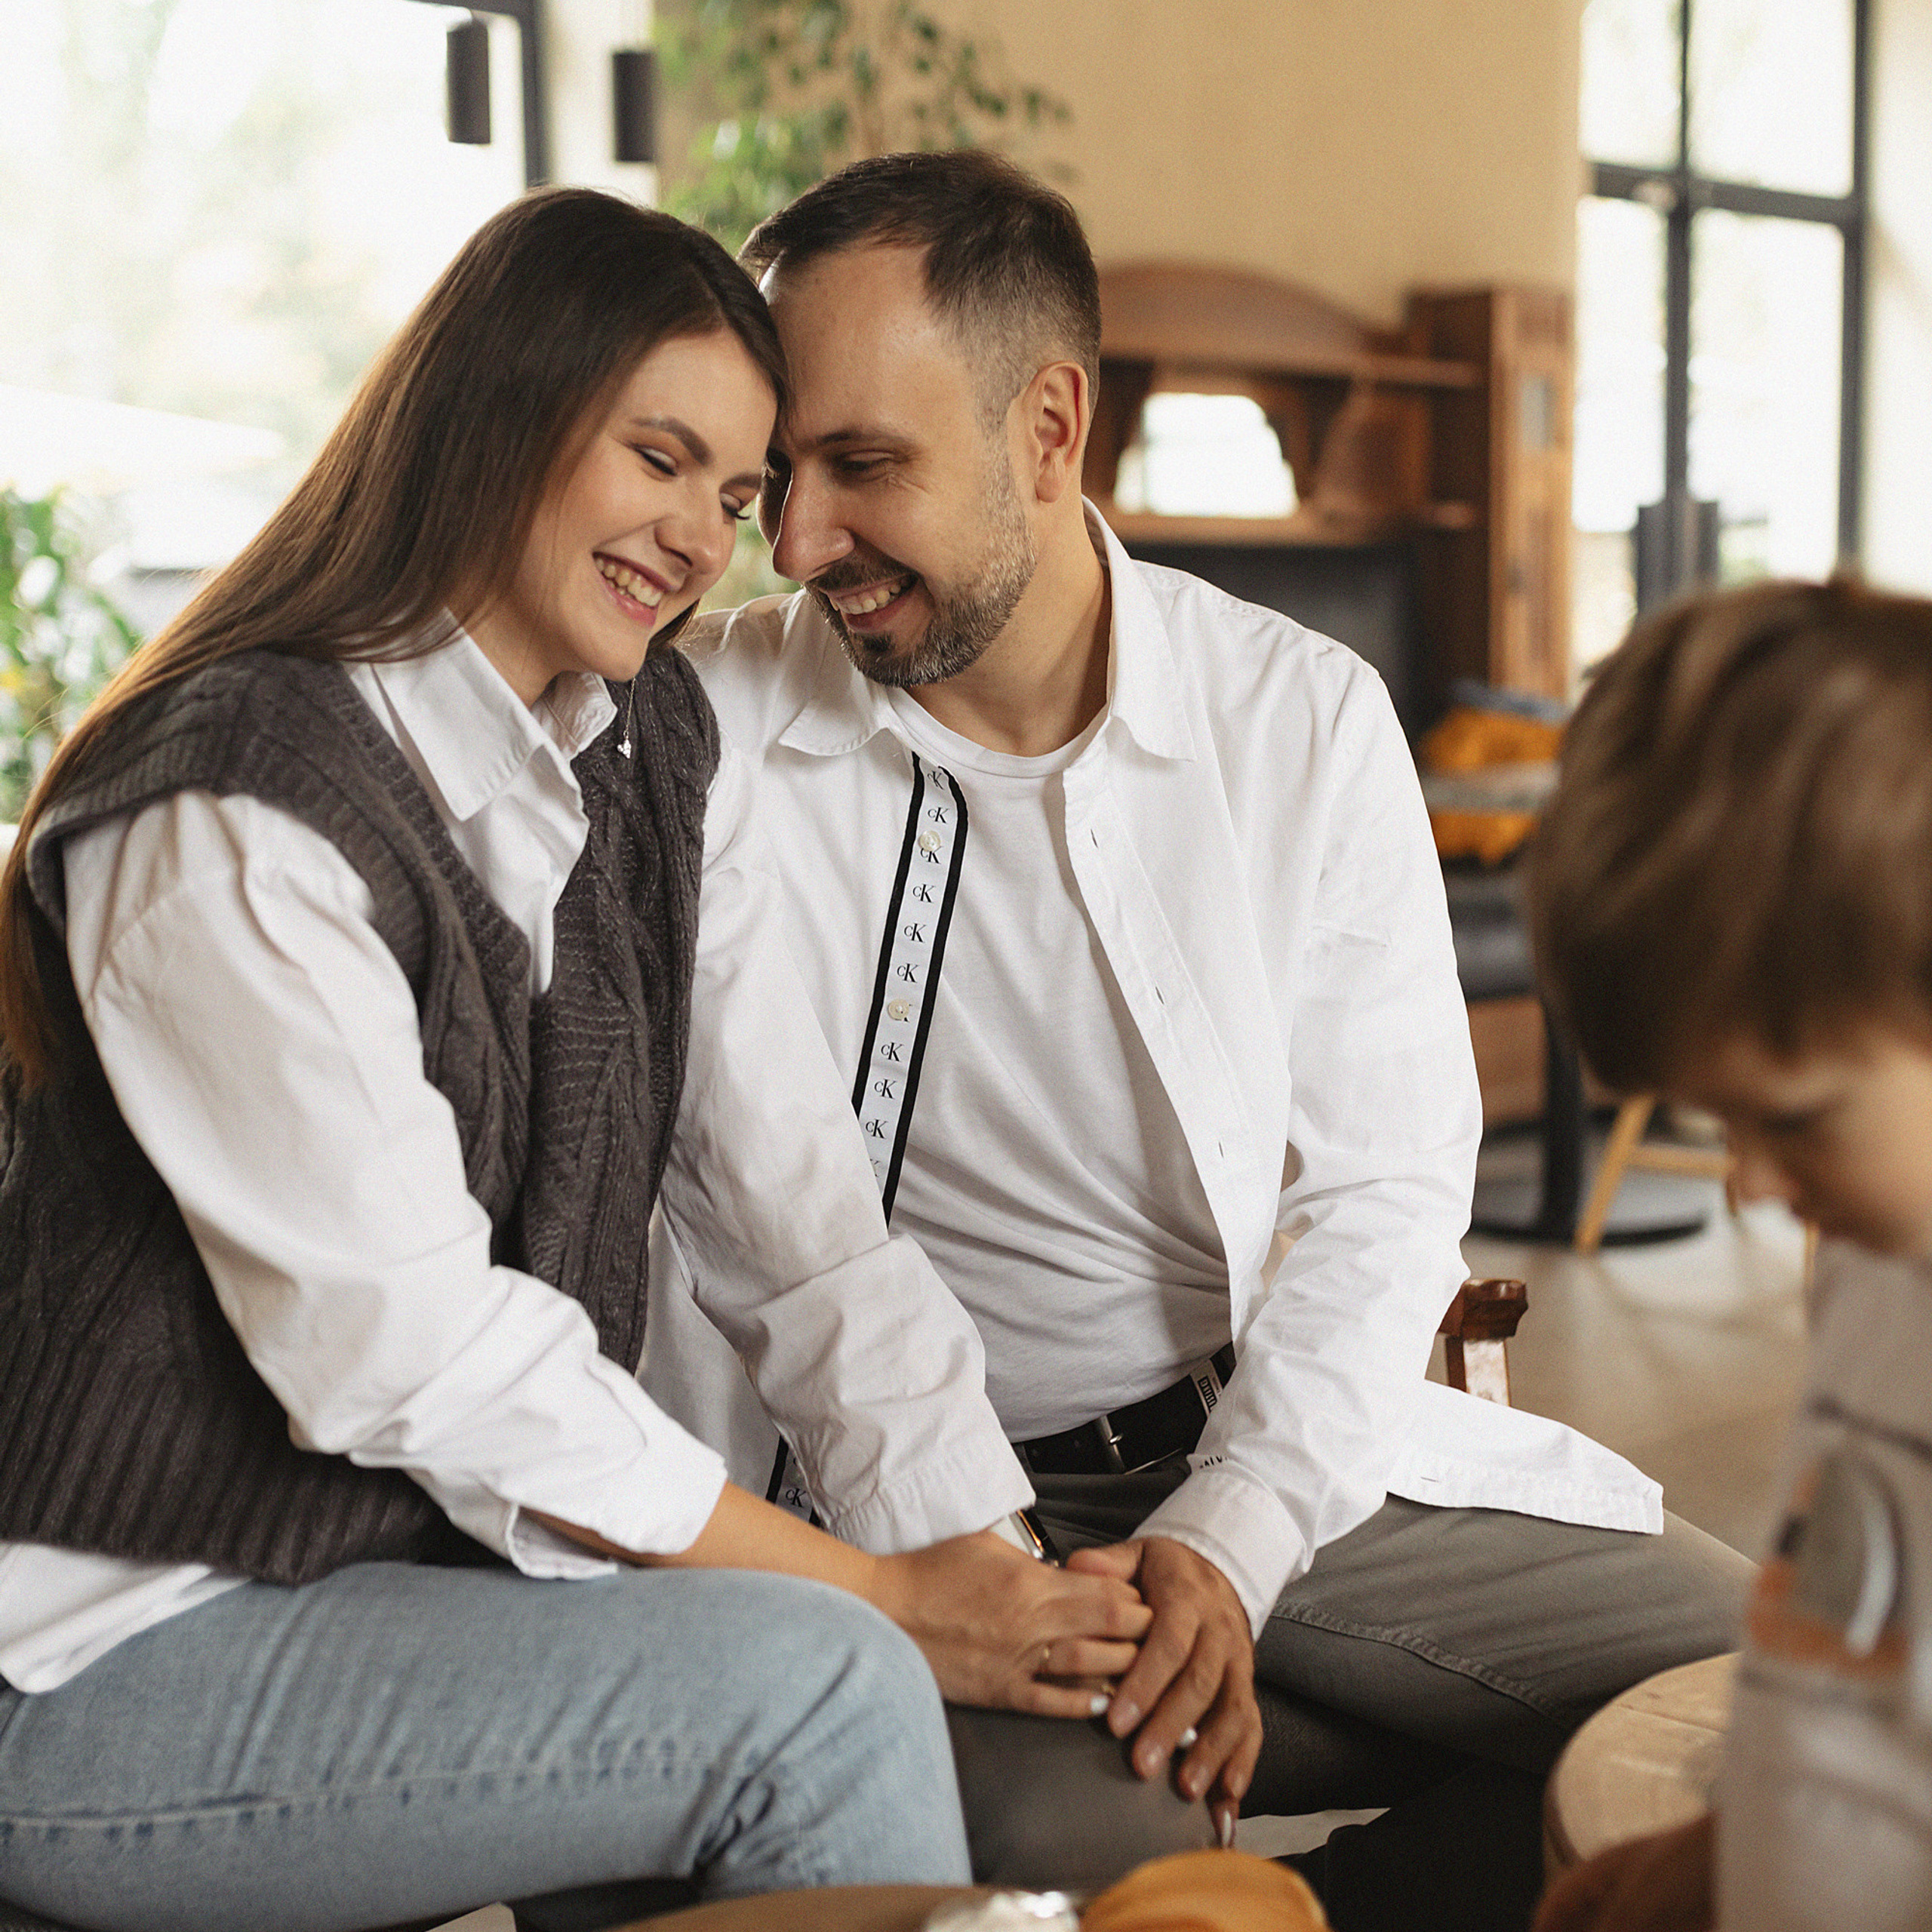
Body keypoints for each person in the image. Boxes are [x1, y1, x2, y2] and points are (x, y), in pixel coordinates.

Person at [0, 186, 1160, 1932]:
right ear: (500, 415)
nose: (707, 536)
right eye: (660, 456)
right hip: (98, 1652)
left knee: (867, 1674)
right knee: (820, 1683)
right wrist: (879, 1597)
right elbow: (417, 1355)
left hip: (393, 1594)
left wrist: (992, 1576)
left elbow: (796, 1210)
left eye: (739, 493)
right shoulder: (233, 801)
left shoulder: (645, 747)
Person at [638, 149, 1753, 1932]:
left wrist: (1224, 1547)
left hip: (1283, 1460)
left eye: (862, 466)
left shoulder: (1299, 715)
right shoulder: (709, 731)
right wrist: (998, 1578)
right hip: (933, 1512)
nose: (797, 543)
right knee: (1103, 1877)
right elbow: (784, 1233)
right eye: (783, 479)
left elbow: (1385, 1192)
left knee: (1786, 1723)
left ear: (1048, 428)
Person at [1529, 577, 1932, 1932]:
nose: (1755, 1187)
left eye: (1796, 1117)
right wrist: (1707, 1864)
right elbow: (1859, 1683)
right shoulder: (1879, 1264)